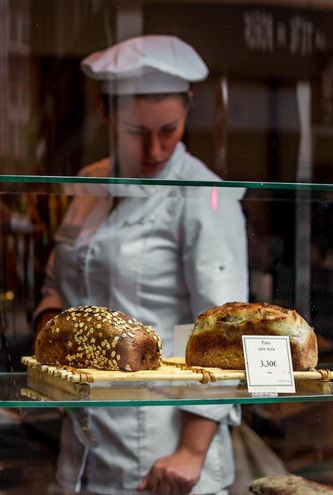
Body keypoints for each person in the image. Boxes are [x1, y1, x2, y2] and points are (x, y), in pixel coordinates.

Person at [33, 36, 249, 495]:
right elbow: (58, 283)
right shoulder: (90, 183)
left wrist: (191, 452)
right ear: (105, 113)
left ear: (189, 108)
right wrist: (53, 341)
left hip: (163, 457)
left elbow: (224, 335)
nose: (154, 150)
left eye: (168, 130)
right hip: (81, 447)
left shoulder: (205, 195)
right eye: (136, 132)